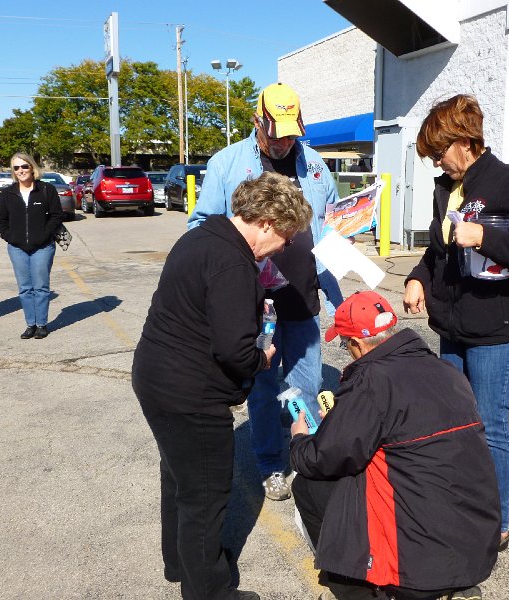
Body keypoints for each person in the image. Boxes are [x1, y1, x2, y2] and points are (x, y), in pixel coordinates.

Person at [133, 172, 312, 600]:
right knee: (206, 495)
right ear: (267, 223)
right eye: (286, 237)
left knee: (179, 479)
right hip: (190, 393)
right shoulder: (232, 263)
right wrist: (263, 358)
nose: (286, 247)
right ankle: (208, 591)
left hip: (157, 377)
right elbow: (235, 351)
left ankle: (184, 565)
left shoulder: (202, 236)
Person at [402, 94, 509, 552]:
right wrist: (417, 279)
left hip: (498, 328)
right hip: (453, 325)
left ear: (466, 141)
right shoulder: (445, 188)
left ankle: (497, 523)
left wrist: (485, 236)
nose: (435, 161)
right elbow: (439, 249)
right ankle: (460, 502)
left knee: (489, 426)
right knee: (454, 421)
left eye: (439, 151)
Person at [290, 291, 500, 600]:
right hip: (475, 545)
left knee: (310, 485)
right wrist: (344, 420)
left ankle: (357, 589)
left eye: (344, 343)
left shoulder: (371, 381)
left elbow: (324, 457)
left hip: (416, 568)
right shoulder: (445, 371)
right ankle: (453, 583)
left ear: (357, 344)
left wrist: (299, 438)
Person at [189, 82, 341, 501]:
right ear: (258, 121)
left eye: (292, 132)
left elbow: (331, 227)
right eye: (276, 132)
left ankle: (305, 457)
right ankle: (271, 464)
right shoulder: (227, 164)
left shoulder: (314, 164)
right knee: (261, 387)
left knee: (306, 386)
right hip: (254, 303)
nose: (284, 141)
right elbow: (201, 227)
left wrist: (339, 289)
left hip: (303, 297)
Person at [0, 152, 63, 339]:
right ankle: (30, 324)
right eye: (16, 167)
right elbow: (0, 219)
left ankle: (41, 324)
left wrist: (44, 235)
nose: (21, 171)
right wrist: (10, 237)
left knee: (40, 286)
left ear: (32, 167)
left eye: (24, 166)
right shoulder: (8, 193)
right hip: (17, 248)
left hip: (43, 247)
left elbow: (57, 216)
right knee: (25, 288)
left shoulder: (47, 190)